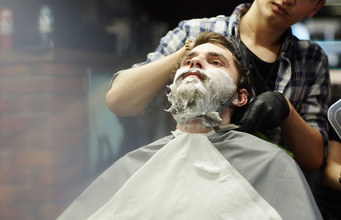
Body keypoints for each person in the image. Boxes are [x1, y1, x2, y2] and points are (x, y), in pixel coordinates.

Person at [38, 32, 325, 220]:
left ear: (240, 97)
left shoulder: (270, 164)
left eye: (216, 62)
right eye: (188, 61)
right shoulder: (135, 164)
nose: (195, 65)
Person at [106, 0, 331, 173]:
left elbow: (313, 161)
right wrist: (190, 51)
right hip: (186, 173)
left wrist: (286, 110)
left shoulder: (310, 58)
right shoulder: (192, 32)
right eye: (191, 62)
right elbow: (119, 100)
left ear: (316, 6)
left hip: (265, 185)